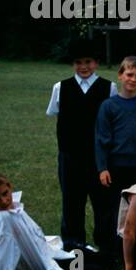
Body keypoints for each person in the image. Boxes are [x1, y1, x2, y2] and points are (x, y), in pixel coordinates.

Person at [46, 37, 116, 253]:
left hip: (99, 158)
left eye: (88, 62)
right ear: (72, 64)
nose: (83, 67)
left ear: (96, 63)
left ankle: (106, 245)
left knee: (103, 202)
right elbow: (55, 114)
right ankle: (73, 244)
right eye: (78, 62)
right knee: (71, 201)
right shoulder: (61, 87)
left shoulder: (108, 87)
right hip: (70, 156)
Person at [96, 56, 136, 228]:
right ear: (120, 76)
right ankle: (114, 246)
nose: (133, 79)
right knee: (116, 207)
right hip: (117, 166)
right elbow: (101, 139)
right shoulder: (108, 105)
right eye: (130, 74)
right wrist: (103, 168)